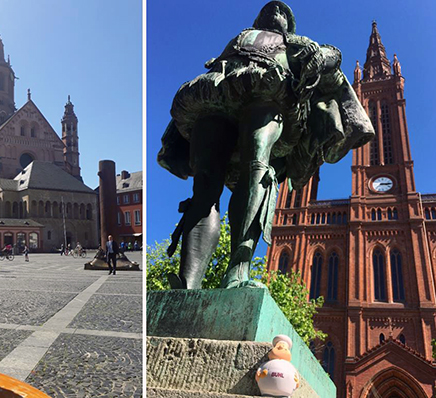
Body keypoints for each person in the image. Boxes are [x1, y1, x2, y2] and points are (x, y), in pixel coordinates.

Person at [158, 1, 374, 289]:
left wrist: (321, 56)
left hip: (270, 98)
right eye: (272, 10)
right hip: (215, 97)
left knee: (256, 166)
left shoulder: (295, 43)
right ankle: (188, 281)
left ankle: (238, 270)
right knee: (205, 183)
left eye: (285, 12)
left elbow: (333, 58)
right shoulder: (241, 37)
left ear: (290, 25)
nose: (277, 13)